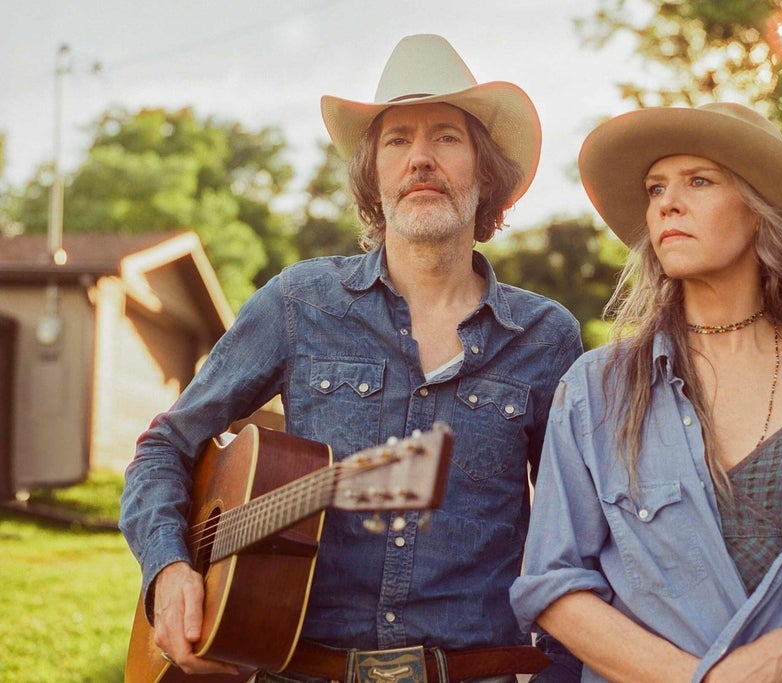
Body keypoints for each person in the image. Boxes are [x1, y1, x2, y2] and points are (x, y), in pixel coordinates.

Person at [120, 34, 583, 682]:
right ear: (373, 174)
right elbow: (164, 445)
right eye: (397, 140)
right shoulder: (299, 301)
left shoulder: (546, 337)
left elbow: (577, 540)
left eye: (447, 137)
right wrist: (169, 569)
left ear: (485, 172)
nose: (421, 158)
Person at [510, 102, 782, 682]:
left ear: (758, 213)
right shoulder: (597, 389)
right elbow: (552, 584)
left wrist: (775, 662)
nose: (667, 203)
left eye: (699, 181)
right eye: (655, 189)